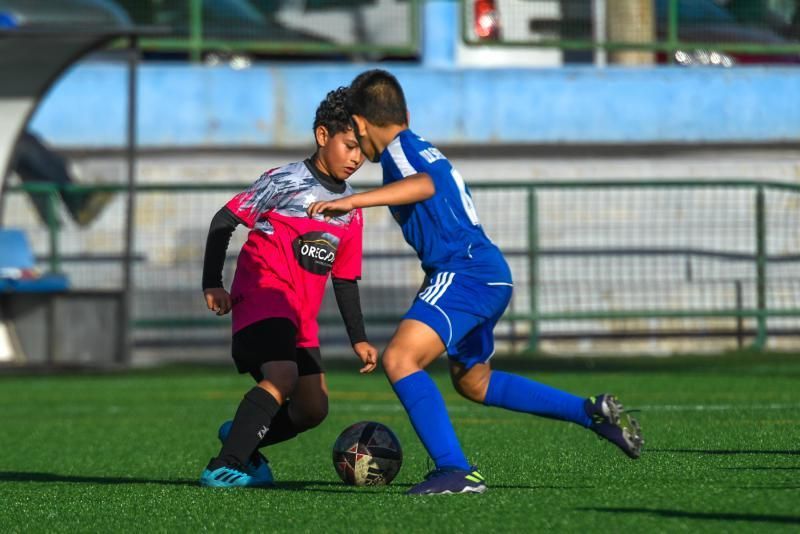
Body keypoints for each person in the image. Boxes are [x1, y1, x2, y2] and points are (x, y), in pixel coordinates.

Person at [307, 69, 644, 496]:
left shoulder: (400, 153)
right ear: (404, 112)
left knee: (399, 359)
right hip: (487, 274)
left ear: (359, 122)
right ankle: (588, 412)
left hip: (463, 271)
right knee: (473, 381)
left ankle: (455, 470)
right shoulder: (419, 145)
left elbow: (425, 186)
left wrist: (353, 200)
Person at [199, 87, 378, 488]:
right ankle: (223, 465)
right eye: (349, 146)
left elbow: (345, 278)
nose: (356, 159)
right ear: (321, 136)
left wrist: (359, 338)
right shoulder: (284, 181)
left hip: (301, 318)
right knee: (281, 375)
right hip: (262, 296)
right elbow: (223, 221)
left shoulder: (350, 209)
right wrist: (213, 283)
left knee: (313, 409)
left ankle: (242, 436)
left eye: (362, 151)